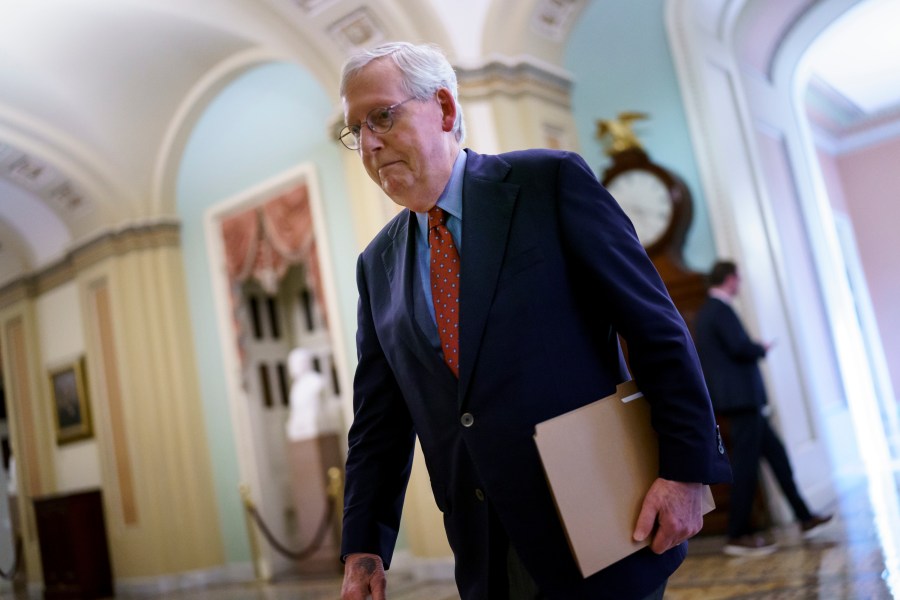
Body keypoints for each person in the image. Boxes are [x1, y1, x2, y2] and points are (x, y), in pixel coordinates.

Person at [337, 41, 731, 600]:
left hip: (603, 523)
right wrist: (363, 546)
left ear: (445, 110)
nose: (370, 143)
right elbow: (379, 420)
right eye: (356, 131)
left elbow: (655, 328)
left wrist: (686, 469)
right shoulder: (375, 265)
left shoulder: (548, 184)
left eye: (382, 116)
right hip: (484, 549)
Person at [693, 260, 832, 556]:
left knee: (777, 455)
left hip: (742, 401)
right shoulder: (720, 309)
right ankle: (737, 534)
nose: (739, 284)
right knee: (745, 466)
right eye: (738, 278)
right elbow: (739, 347)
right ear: (730, 279)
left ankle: (804, 517)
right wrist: (761, 348)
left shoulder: (709, 312)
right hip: (742, 400)